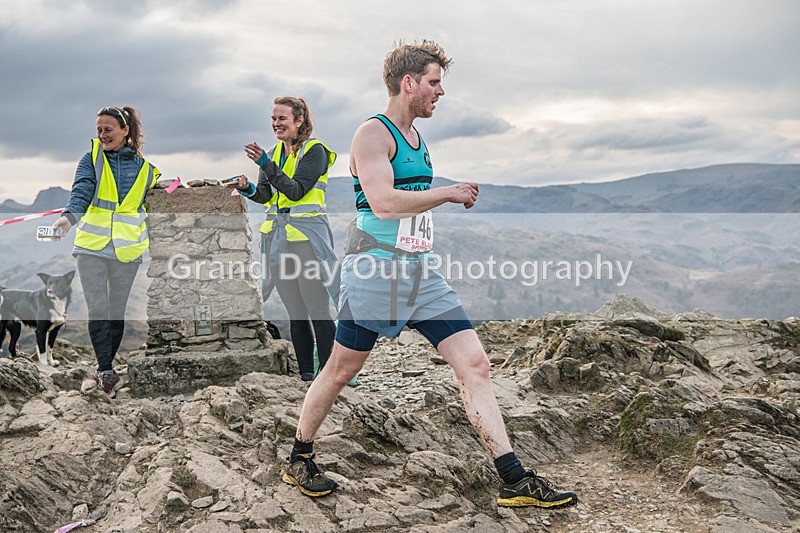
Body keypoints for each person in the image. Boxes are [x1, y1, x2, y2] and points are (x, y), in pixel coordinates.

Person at [282, 41, 578, 509]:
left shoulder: (418, 139)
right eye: (434, 82)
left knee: (475, 364)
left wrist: (439, 203)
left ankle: (513, 478)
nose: (440, 92)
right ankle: (299, 456)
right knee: (341, 369)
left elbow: (409, 206)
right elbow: (382, 202)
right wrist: (447, 193)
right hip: (374, 272)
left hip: (421, 274)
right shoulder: (371, 135)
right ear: (409, 83)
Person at [228, 96, 338, 382]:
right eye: (273, 118)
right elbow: (267, 195)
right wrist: (248, 187)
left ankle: (330, 375)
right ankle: (305, 376)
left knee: (316, 308)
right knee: (296, 311)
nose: (276, 123)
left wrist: (265, 163)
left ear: (299, 120)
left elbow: (296, 191)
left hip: (307, 240)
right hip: (278, 240)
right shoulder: (276, 154)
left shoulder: (316, 152)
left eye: (282, 118)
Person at [52, 106, 160, 397]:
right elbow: (82, 190)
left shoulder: (146, 170)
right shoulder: (91, 160)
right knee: (98, 307)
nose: (102, 135)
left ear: (125, 131)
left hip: (127, 250)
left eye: (108, 129)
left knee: (116, 311)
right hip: (91, 247)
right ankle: (105, 370)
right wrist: (69, 217)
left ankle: (107, 364)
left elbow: (155, 204)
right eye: (98, 130)